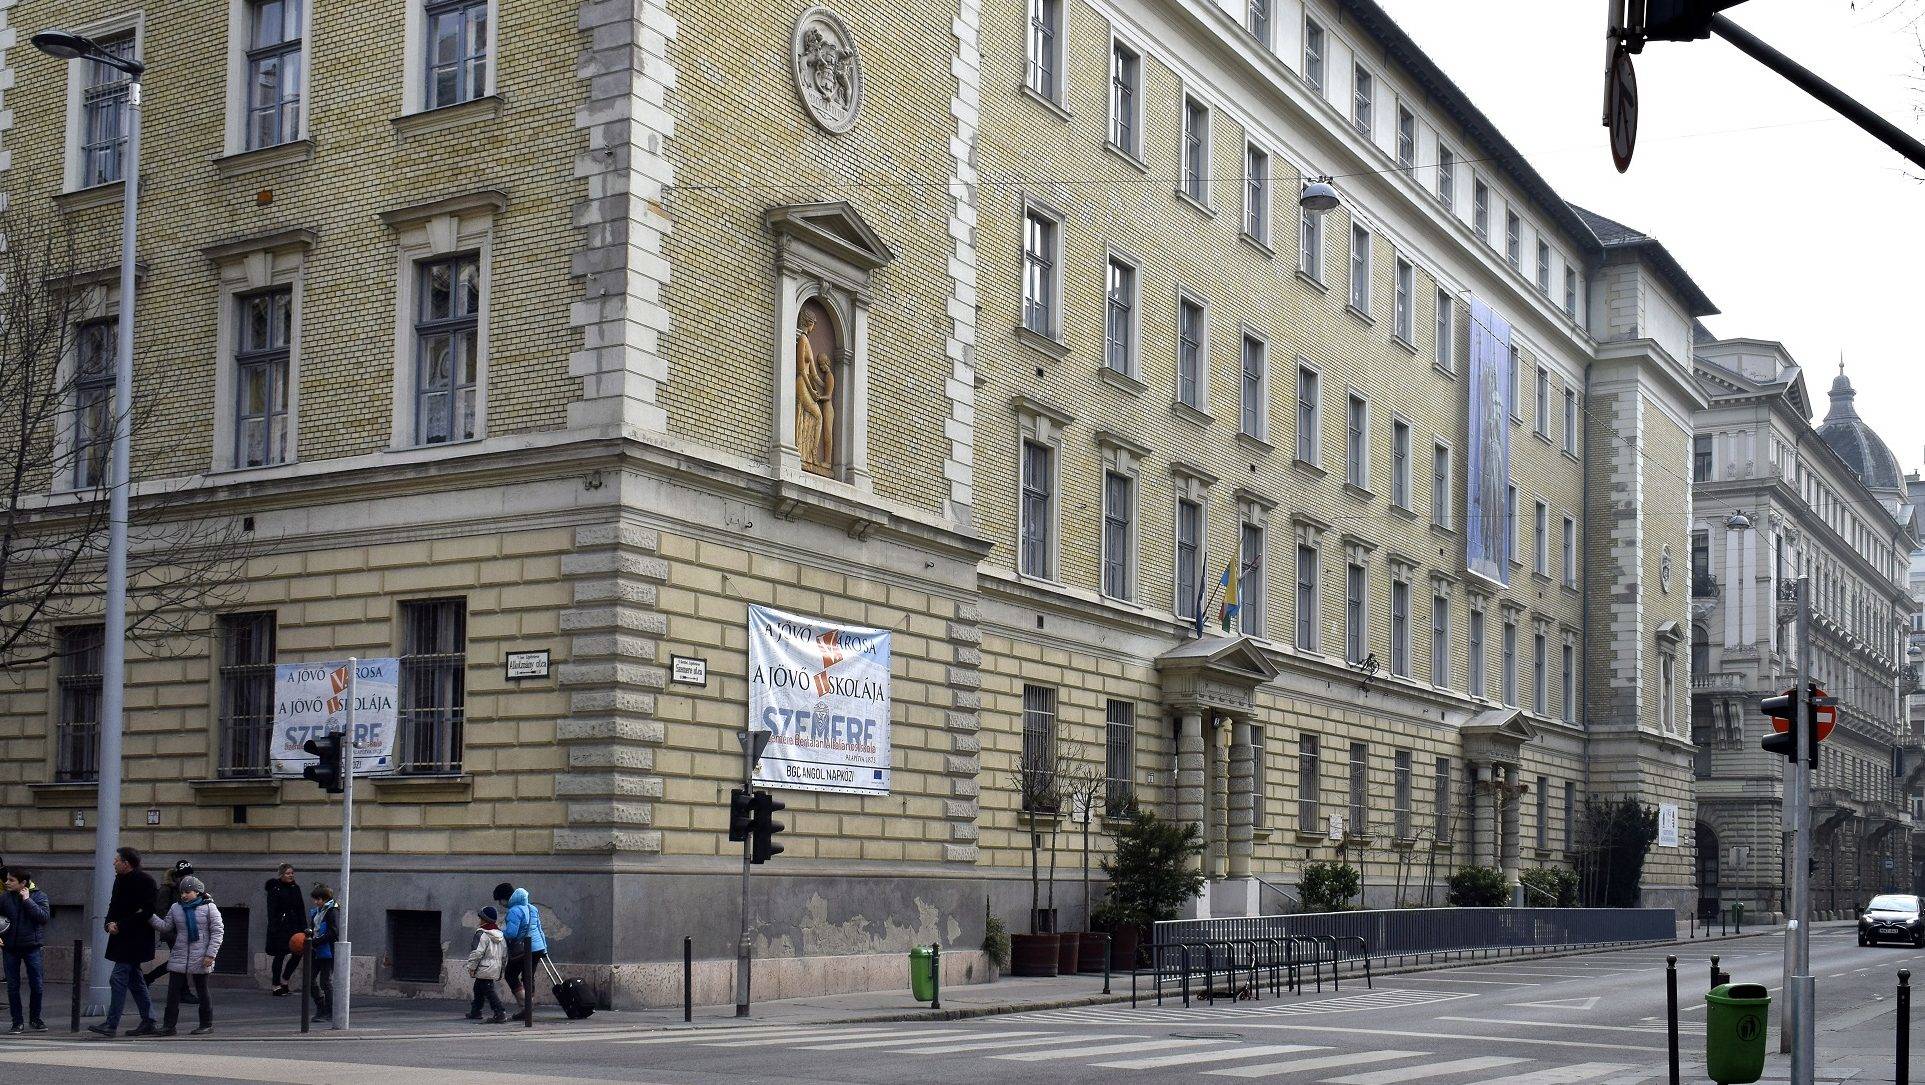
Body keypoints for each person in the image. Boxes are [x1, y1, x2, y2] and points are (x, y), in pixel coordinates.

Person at [89, 847, 158, 1037]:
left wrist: (120, 924)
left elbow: (147, 911)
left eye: (117, 860)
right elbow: (114, 904)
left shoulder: (145, 881)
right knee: (135, 981)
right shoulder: (120, 879)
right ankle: (149, 1020)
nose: (114, 862)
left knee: (117, 978)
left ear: (126, 863)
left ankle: (111, 1024)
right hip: (121, 938)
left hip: (136, 939)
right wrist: (108, 923)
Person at [147, 875, 222, 1036]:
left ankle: (206, 1024)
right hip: (180, 954)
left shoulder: (209, 907)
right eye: (182, 892)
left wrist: (210, 954)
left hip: (202, 955)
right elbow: (166, 926)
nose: (184, 895)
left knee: (202, 990)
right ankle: (169, 1026)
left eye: (187, 892)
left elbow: (217, 932)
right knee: (173, 992)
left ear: (197, 892)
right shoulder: (176, 907)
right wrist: (150, 916)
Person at [0, 867, 50, 1033]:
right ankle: (17, 1022)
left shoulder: (39, 896)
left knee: (37, 984)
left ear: (23, 883)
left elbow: (44, 917)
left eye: (11, 880)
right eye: (7, 879)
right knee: (12, 986)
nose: (6, 882)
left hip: (32, 947)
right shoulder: (4, 897)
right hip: (10, 947)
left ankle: (35, 1019)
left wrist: (27, 900)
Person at [145, 860, 196, 1002]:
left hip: (182, 931)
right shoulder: (167, 890)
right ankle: (183, 992)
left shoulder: (186, 890)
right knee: (181, 960)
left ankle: (148, 978)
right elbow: (161, 912)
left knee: (179, 960)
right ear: (178, 876)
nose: (189, 878)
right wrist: (169, 931)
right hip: (172, 932)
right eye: (185, 876)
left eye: (190, 875)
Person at [499, 885, 547, 1014]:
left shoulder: (514, 911)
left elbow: (511, 934)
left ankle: (526, 1006)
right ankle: (528, 1009)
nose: (500, 904)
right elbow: (540, 930)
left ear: (506, 899)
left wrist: (499, 932)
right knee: (528, 977)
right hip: (538, 947)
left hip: (524, 949)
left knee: (510, 974)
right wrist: (544, 948)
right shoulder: (533, 908)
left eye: (500, 900)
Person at [263, 864, 305, 996]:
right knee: (280, 955)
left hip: (295, 926)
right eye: (288, 873)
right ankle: (276, 985)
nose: (291, 875)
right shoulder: (275, 889)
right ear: (281, 875)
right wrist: (274, 927)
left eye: (292, 873)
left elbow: (301, 908)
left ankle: (285, 980)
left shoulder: (295, 888)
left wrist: (304, 927)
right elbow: (271, 910)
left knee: (298, 952)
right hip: (281, 927)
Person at [463, 906, 507, 1023]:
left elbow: (476, 952)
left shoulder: (481, 933)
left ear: (484, 919)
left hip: (483, 968)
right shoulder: (500, 935)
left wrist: (471, 967)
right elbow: (504, 955)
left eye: (481, 918)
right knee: (478, 988)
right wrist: (501, 970)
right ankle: (476, 1011)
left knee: (488, 990)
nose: (479, 920)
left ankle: (500, 1012)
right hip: (495, 967)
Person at [307, 885, 337, 1021]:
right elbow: (312, 929)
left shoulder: (332, 911)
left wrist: (316, 941)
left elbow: (333, 933)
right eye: (315, 899)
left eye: (318, 899)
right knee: (309, 979)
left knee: (325, 982)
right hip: (316, 951)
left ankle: (329, 1012)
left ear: (325, 899)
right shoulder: (316, 912)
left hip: (327, 951)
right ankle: (321, 1006)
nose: (315, 902)